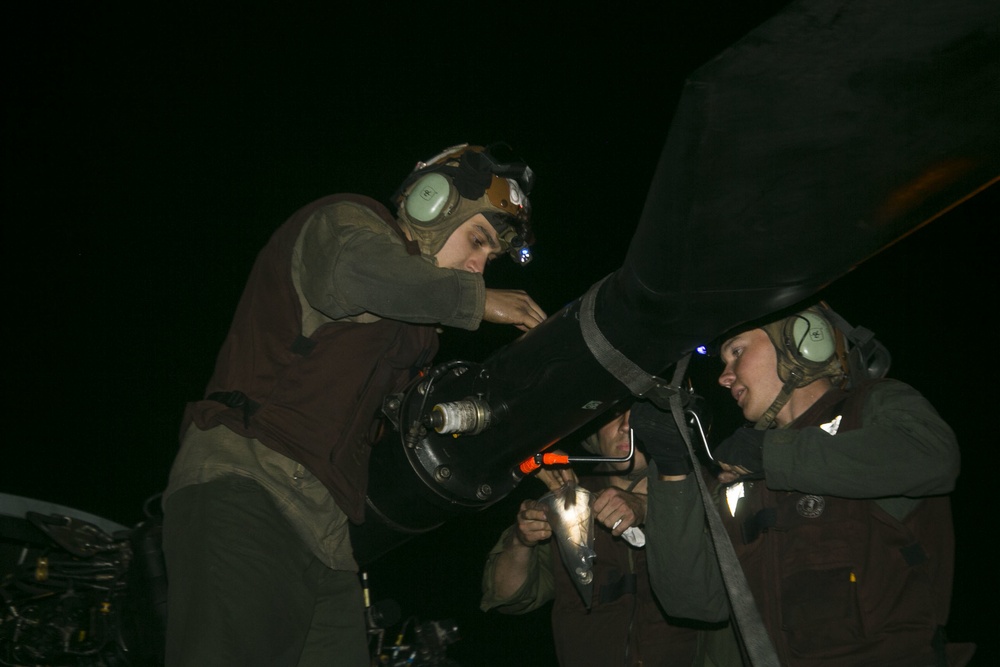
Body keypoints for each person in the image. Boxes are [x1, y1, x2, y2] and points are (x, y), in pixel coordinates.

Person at [161, 144, 548, 667]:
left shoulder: (418, 329)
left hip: (328, 532)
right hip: (249, 483)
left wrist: (522, 440)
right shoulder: (347, 223)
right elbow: (353, 274)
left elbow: (416, 432)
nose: (478, 268)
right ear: (430, 203)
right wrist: (479, 303)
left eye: (489, 260)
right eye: (477, 241)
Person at [635, 304, 975, 666]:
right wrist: (673, 474)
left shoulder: (872, 409)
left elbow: (931, 455)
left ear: (802, 343)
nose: (724, 377)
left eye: (737, 352)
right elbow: (697, 601)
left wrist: (771, 455)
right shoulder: (739, 472)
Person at [481, 408, 701, 667]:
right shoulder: (565, 500)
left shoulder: (701, 494)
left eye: (639, 413)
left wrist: (649, 507)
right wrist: (521, 540)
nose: (626, 425)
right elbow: (507, 597)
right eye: (616, 413)